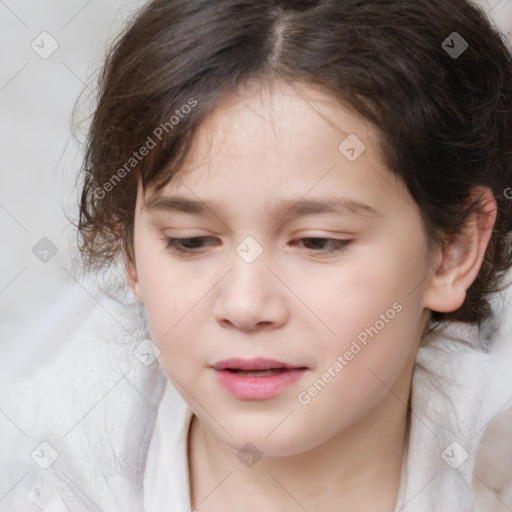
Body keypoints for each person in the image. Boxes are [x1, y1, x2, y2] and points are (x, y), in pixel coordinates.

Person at [2, 0, 512, 511]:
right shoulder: (41, 482)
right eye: (189, 241)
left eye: (318, 242)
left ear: (454, 250)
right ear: (130, 256)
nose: (245, 305)